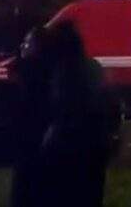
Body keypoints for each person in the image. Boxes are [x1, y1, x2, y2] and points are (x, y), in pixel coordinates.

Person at [41, 21, 118, 207]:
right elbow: (110, 101)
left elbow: (60, 107)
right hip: (96, 145)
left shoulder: (60, 71)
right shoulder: (94, 67)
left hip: (68, 145)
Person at [10, 26, 54, 207]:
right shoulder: (52, 72)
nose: (23, 46)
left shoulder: (30, 72)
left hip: (32, 141)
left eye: (27, 43)